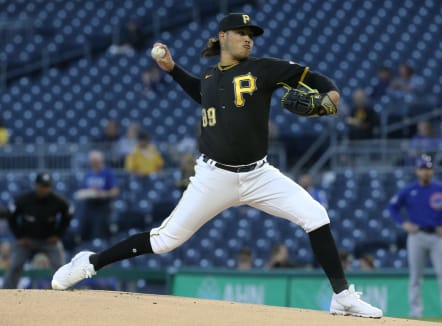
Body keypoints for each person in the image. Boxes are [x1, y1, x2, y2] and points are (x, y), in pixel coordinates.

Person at [52, 13, 382, 318]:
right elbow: (202, 92)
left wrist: (333, 96)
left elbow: (317, 79)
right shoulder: (210, 75)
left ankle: (341, 296)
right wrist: (173, 70)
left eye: (251, 34)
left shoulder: (264, 68)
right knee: (166, 241)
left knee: (316, 216)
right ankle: (89, 263)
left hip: (259, 174)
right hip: (214, 177)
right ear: (223, 36)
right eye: (241, 33)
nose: (248, 38)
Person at [388, 154, 442, 318]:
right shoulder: (409, 190)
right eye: (423, 168)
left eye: (428, 169)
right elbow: (393, 207)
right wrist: (403, 223)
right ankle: (415, 312)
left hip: (437, 236)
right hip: (417, 235)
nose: (426, 172)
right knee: (415, 277)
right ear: (417, 171)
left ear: (433, 170)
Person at [2, 172, 72, 289]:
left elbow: (68, 215)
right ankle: (6, 292)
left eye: (47, 186)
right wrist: (19, 236)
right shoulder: (24, 200)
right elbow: (11, 216)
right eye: (42, 186)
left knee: (60, 266)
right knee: (15, 265)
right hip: (27, 241)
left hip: (49, 241)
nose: (44, 189)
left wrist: (58, 235)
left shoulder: (57, 200)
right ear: (36, 186)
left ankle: (66, 291)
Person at [75, 150, 119, 242]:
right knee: (85, 232)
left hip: (102, 207)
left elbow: (115, 191)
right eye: (93, 162)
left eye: (96, 161)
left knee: (99, 233)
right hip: (89, 207)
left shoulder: (108, 173)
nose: (95, 164)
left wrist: (104, 194)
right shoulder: (88, 174)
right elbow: (82, 189)